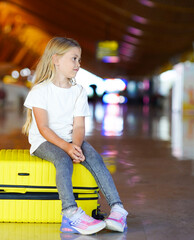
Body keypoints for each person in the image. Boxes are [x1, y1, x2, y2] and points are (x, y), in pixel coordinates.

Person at [22, 37, 128, 235]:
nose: (78, 65)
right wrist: (67, 148)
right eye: (74, 59)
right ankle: (70, 213)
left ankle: (117, 210)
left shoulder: (78, 91)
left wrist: (76, 146)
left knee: (95, 157)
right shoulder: (40, 91)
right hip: (44, 142)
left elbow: (79, 125)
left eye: (79, 60)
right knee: (63, 160)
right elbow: (43, 128)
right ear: (56, 60)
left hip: (71, 140)